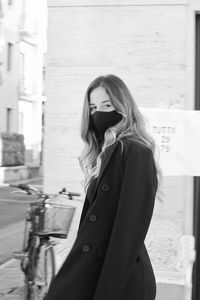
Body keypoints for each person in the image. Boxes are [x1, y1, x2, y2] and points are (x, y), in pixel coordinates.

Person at [45, 74, 161, 300]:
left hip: (118, 280)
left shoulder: (135, 152)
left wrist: (108, 292)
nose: (98, 113)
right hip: (94, 269)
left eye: (107, 105)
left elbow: (128, 232)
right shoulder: (107, 153)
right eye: (93, 107)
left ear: (122, 106)